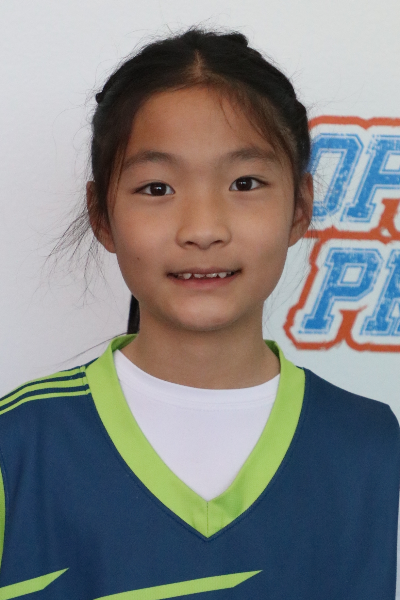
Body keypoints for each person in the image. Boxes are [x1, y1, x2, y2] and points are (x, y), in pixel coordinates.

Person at [0, 28, 398, 600]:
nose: (203, 229)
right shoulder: (18, 446)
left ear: (300, 207)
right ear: (101, 216)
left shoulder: (374, 449)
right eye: (157, 188)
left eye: (245, 183)